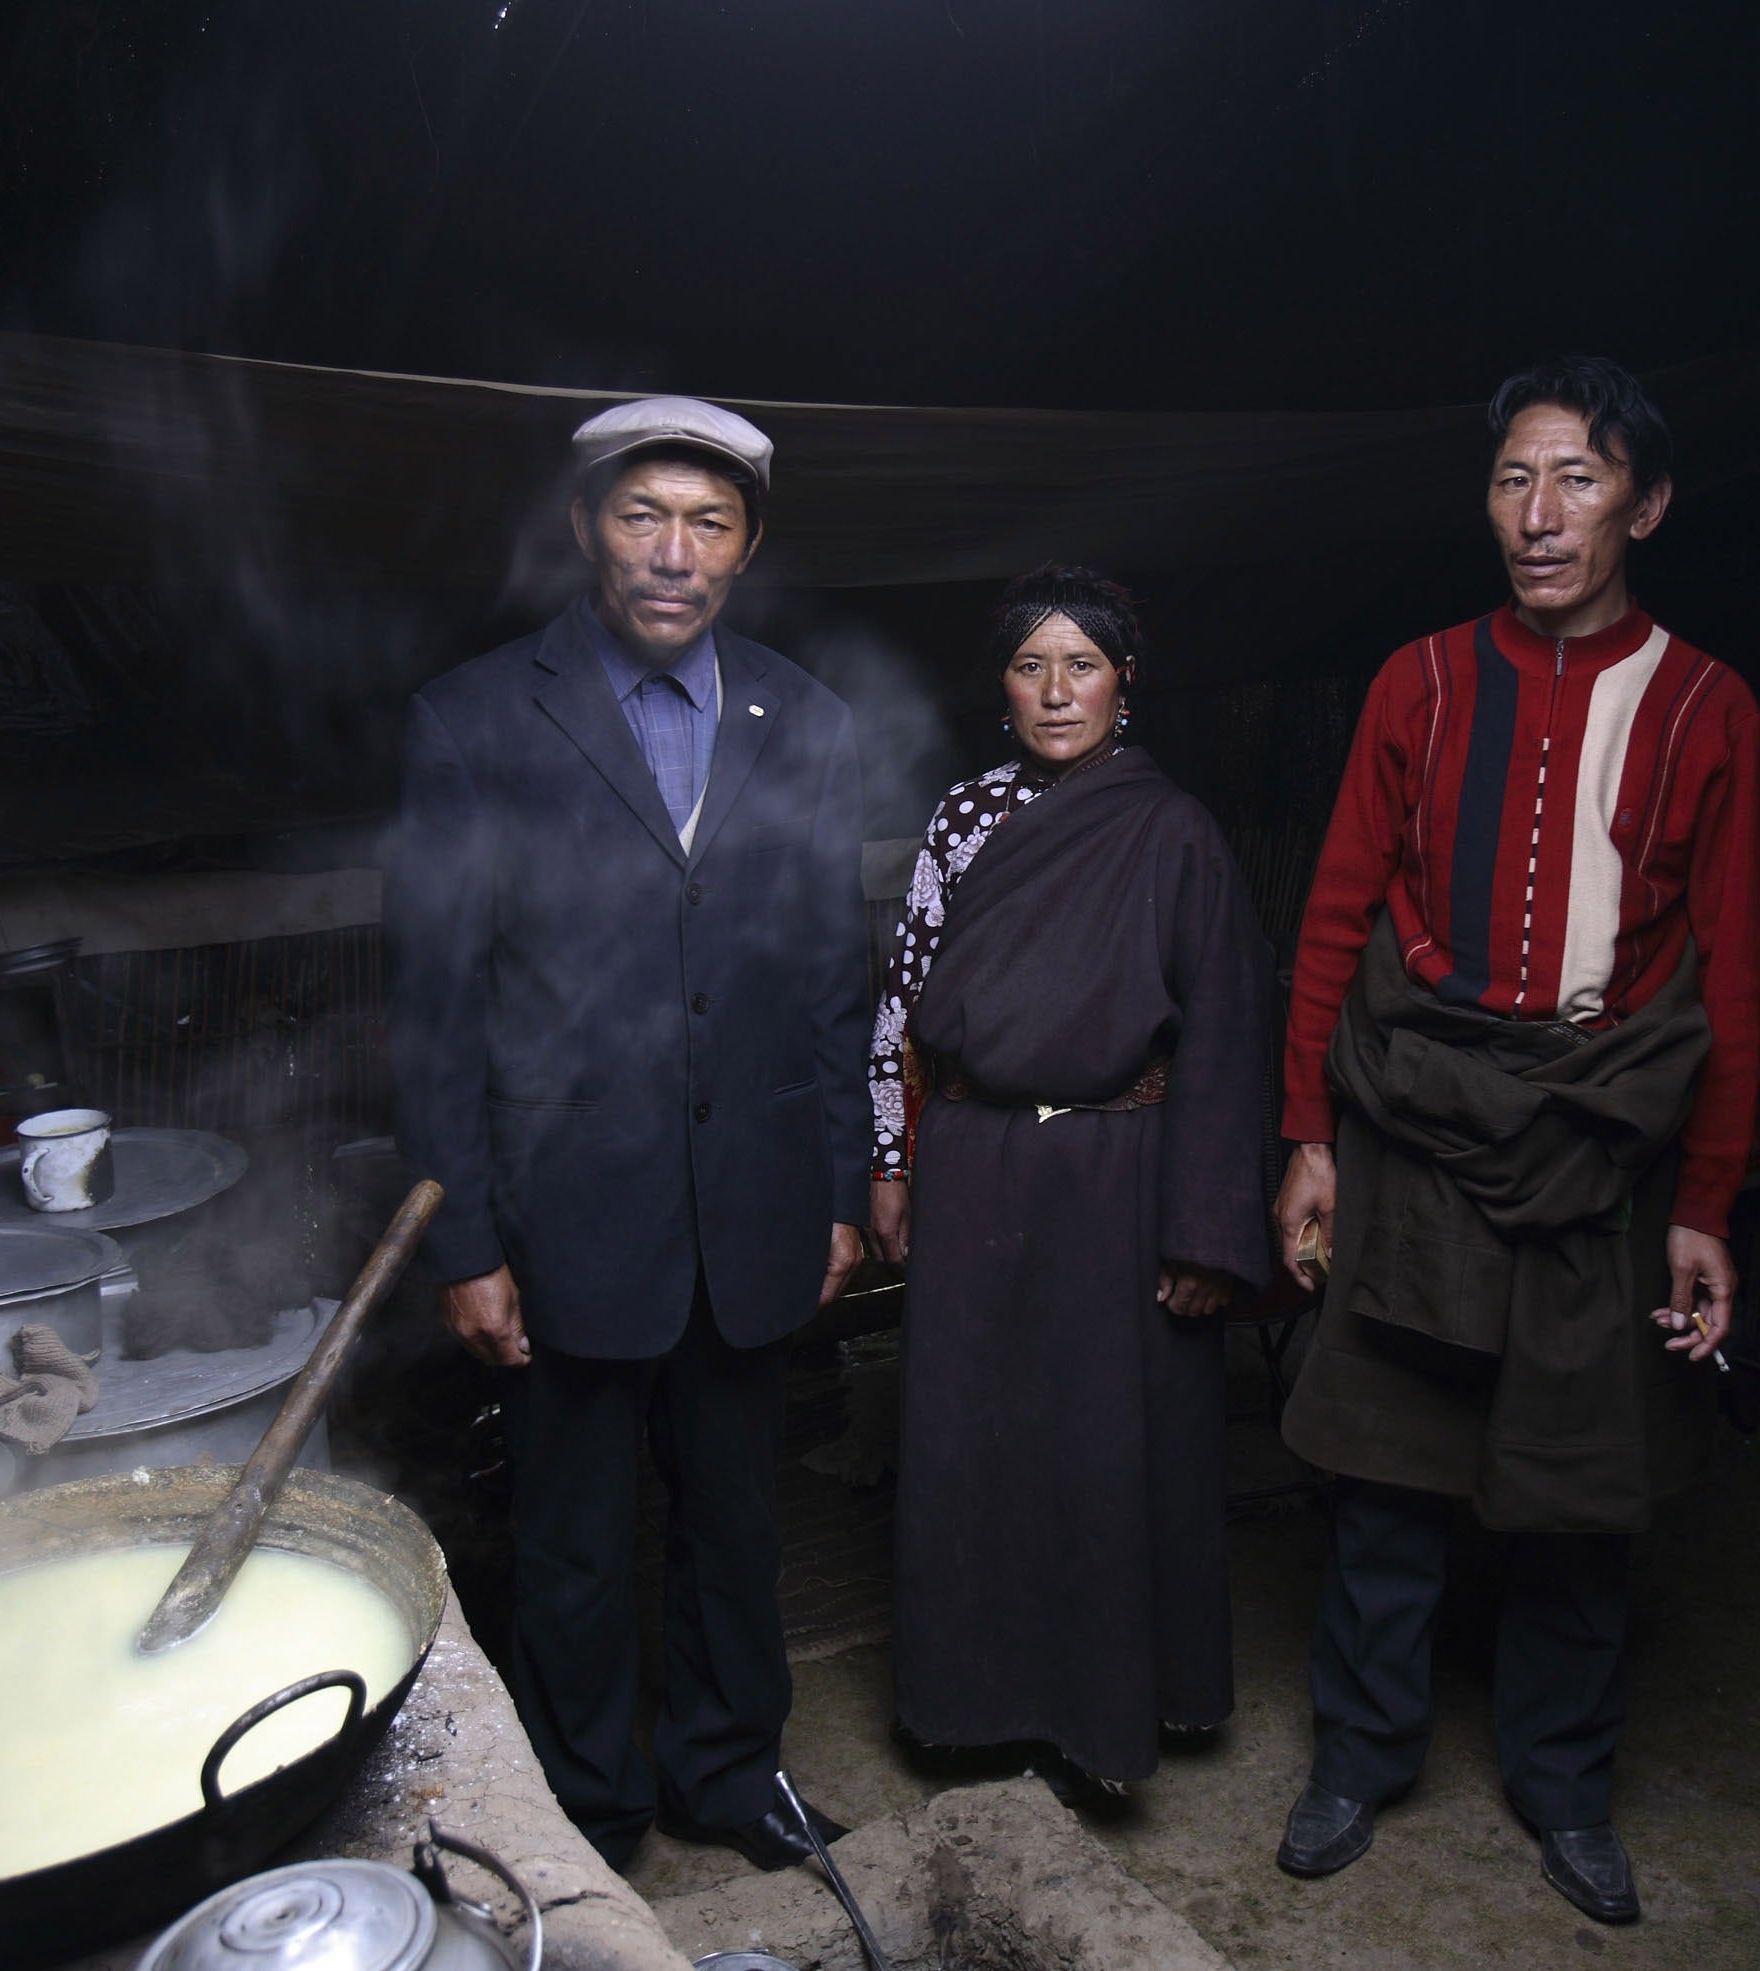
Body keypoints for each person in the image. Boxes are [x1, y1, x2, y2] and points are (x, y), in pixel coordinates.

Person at [1266, 357, 1760, 1921]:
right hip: (1413, 1111)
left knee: (1579, 1482)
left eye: (1578, 479)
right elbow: (1338, 913)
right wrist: (1310, 1135)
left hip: (1598, 1128)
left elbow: (1735, 966)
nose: (1539, 516)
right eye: (1512, 480)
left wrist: (1707, 1198)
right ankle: (1361, 1751)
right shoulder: (1416, 681)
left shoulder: (1707, 703)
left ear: (1648, 502)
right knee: (1387, 1466)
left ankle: (1563, 1783)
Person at [387, 395, 871, 1873]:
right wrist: (464, 1236)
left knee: (735, 1522)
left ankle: (729, 1771)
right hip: (564, 1217)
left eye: (708, 522)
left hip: (751, 1208)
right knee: (576, 1544)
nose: (675, 552)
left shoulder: (812, 719)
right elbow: (435, 1005)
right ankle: (587, 1810)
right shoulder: (475, 717)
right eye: (644, 516)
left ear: (749, 545)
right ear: (589, 526)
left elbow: (830, 979)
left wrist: (840, 1186)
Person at [869, 565, 1274, 1800]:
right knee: (970, 1445)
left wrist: (1205, 1231)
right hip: (979, 1166)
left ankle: (1108, 1723)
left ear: (1124, 681)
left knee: (1104, 1450)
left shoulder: (1175, 832)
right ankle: (970, 1709)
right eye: (1031, 666)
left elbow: (1227, 1035)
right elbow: (899, 1002)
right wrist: (893, 1157)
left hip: (1117, 1176)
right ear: (1001, 686)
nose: (1056, 692)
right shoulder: (961, 821)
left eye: (1082, 664)